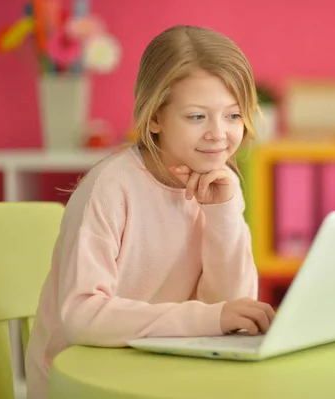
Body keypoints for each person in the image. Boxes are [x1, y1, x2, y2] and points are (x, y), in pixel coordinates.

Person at [25, 25, 275, 399]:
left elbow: (230, 312)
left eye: (233, 115)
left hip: (166, 375)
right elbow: (81, 317)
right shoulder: (111, 187)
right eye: (196, 117)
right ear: (155, 118)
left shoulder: (219, 184)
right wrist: (211, 318)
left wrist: (223, 214)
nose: (218, 134)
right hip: (88, 383)